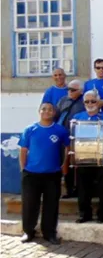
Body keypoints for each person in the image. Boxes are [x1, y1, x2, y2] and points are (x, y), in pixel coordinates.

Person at [19, 103, 70, 244]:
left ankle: (49, 233)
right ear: (39, 111)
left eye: (50, 109)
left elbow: (67, 148)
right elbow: (23, 150)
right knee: (29, 204)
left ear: (54, 113)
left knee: (51, 205)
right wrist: (23, 168)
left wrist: (64, 166)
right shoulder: (30, 130)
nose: (47, 111)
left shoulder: (60, 130)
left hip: (52, 175)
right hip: (31, 174)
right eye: (44, 109)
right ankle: (28, 232)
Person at [72, 90, 103, 224]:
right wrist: (74, 157)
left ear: (98, 102)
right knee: (83, 186)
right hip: (83, 154)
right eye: (87, 101)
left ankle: (102, 215)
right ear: (83, 102)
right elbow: (73, 138)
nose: (90, 103)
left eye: (93, 101)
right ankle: (84, 214)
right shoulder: (78, 117)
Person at [55, 79, 86, 199]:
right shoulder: (63, 100)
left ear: (80, 91)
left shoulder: (84, 102)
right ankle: (68, 190)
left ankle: (78, 189)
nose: (70, 92)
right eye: (68, 89)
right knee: (65, 163)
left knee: (77, 164)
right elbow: (56, 114)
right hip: (63, 136)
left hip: (79, 137)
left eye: (73, 90)